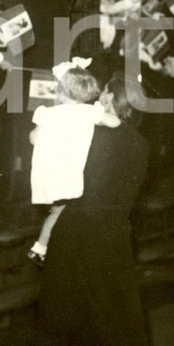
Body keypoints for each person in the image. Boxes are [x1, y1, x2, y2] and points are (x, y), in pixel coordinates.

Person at [36, 72, 165, 346]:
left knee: (57, 334)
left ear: (109, 98)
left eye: (104, 92)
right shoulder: (141, 144)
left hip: (73, 238)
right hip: (113, 245)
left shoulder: (87, 132)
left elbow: (42, 146)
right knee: (106, 337)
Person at [27, 61, 115, 264]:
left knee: (58, 211)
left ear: (60, 91)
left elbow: (33, 138)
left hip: (49, 177)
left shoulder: (48, 113)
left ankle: (40, 246)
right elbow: (114, 122)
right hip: (72, 176)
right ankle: (45, 247)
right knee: (66, 211)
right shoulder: (88, 112)